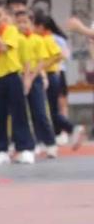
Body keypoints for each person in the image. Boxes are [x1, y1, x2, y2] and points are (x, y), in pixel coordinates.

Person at [0, 0, 35, 165]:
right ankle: (1, 150)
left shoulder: (11, 31)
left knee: (19, 113)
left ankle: (24, 148)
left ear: (5, 16)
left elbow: (4, 48)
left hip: (12, 76)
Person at [35, 13, 85, 149]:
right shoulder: (45, 38)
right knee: (49, 110)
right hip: (52, 75)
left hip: (52, 75)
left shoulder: (47, 39)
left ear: (41, 27)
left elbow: (60, 56)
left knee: (49, 111)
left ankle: (70, 128)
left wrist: (40, 67)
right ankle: (53, 137)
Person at [14, 10, 58, 158]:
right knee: (22, 113)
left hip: (35, 77)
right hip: (18, 77)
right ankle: (31, 143)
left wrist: (32, 77)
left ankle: (50, 143)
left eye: (25, 22)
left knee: (39, 112)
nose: (22, 25)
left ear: (32, 23)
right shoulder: (15, 40)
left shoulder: (38, 40)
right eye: (19, 22)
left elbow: (42, 60)